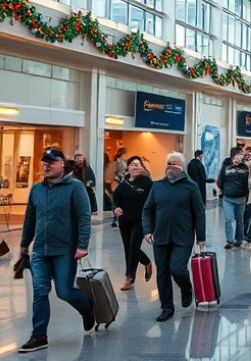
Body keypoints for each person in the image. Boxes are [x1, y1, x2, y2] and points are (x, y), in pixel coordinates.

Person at [18, 148, 94, 353]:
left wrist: (82, 245)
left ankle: (87, 308)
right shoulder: (36, 190)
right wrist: (24, 245)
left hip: (65, 251)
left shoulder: (76, 188)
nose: (46, 165)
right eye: (44, 162)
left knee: (65, 291)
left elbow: (84, 217)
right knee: (40, 291)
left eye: (51, 161)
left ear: (62, 164)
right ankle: (39, 336)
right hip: (40, 251)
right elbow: (29, 219)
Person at [142, 152, 206, 322]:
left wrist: (201, 236)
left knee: (177, 268)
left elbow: (199, 212)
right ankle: (167, 307)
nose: (171, 166)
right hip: (161, 236)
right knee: (162, 272)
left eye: (174, 163)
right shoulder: (158, 185)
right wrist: (147, 230)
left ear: (182, 167)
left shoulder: (190, 186)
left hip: (183, 237)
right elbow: (147, 210)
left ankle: (186, 288)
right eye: (168, 163)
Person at [112, 156, 154, 291]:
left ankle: (129, 278)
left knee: (133, 247)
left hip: (140, 220)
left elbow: (152, 202)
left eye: (137, 165)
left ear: (142, 167)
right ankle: (146, 262)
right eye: (132, 165)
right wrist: (116, 208)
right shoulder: (124, 182)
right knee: (128, 249)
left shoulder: (147, 183)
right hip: (124, 220)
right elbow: (115, 198)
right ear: (128, 168)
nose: (134, 167)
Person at [216, 147, 250, 249]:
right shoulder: (226, 166)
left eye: (241, 154)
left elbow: (248, 183)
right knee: (228, 219)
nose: (240, 156)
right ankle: (230, 241)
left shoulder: (245, 167)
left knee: (240, 221)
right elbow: (220, 181)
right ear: (233, 155)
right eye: (238, 154)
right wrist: (223, 192)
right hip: (228, 198)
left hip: (241, 199)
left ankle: (238, 239)